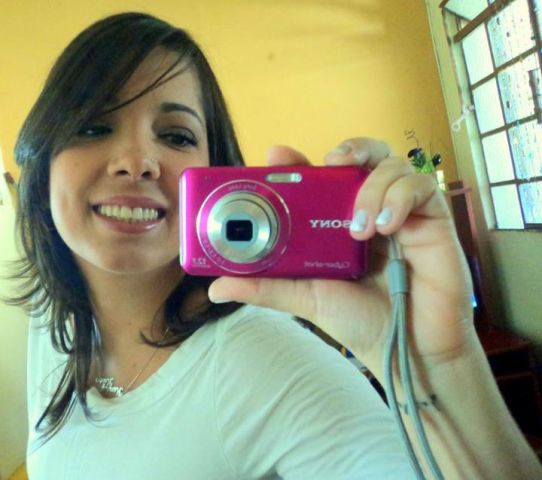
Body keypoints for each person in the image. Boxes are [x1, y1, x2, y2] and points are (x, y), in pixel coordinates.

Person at [9, 12, 541, 480]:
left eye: (176, 136)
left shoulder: (267, 362)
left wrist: (438, 363)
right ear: (44, 157)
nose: (136, 161)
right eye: (93, 126)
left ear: (217, 175)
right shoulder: (53, 321)